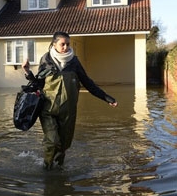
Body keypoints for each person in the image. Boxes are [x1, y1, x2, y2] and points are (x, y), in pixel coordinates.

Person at [21, 31, 118, 170]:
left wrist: (106, 98)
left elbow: (87, 82)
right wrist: (28, 72)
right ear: (54, 44)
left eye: (68, 44)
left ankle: (58, 170)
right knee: (53, 141)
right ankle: (47, 169)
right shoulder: (46, 60)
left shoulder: (74, 62)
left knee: (64, 145)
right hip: (48, 110)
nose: (65, 47)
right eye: (62, 44)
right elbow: (38, 84)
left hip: (68, 112)